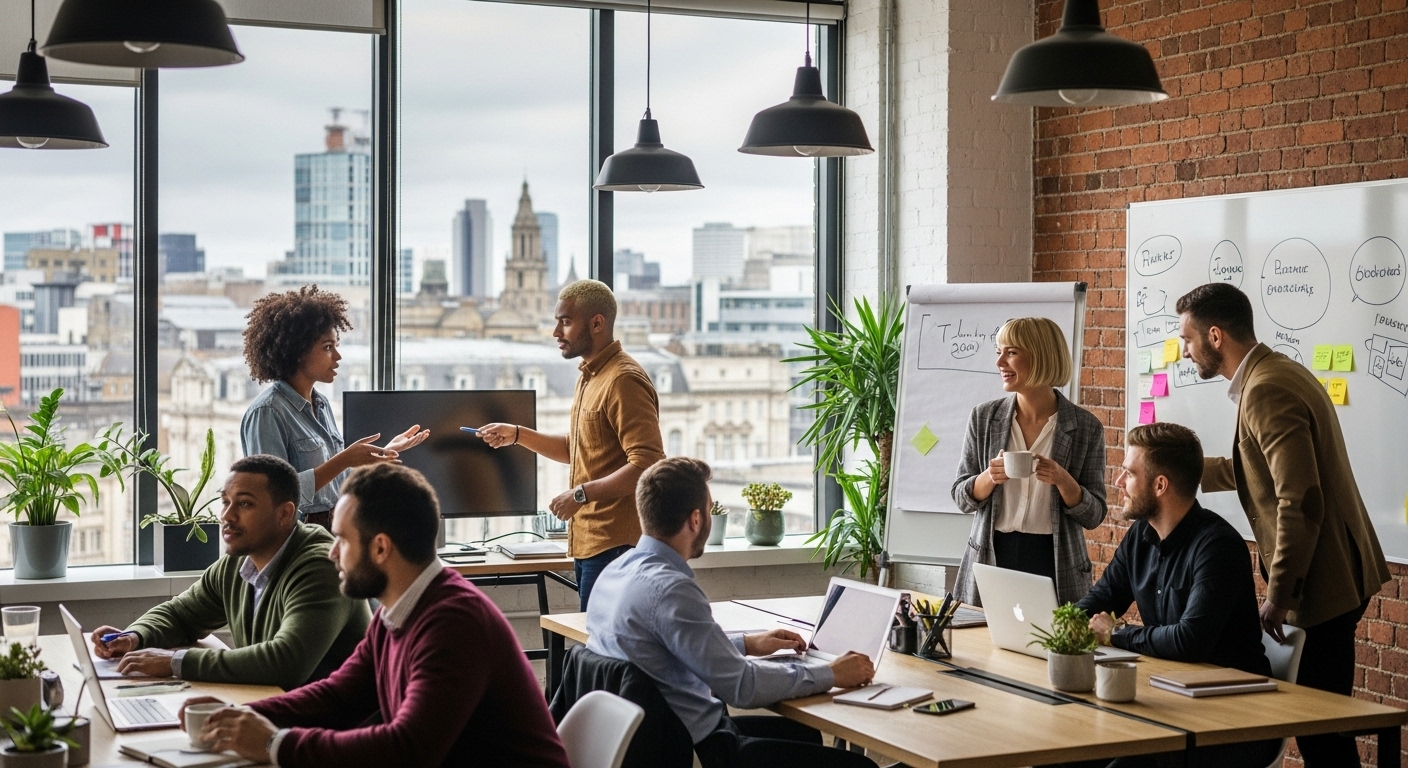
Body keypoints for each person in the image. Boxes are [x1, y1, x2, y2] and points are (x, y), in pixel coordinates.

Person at [181, 463, 571, 768]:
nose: (332, 553)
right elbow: (340, 695)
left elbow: (407, 751)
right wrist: (236, 715)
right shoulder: (399, 610)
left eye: (342, 539)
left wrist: (273, 744)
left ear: (381, 548)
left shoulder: (453, 622)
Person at [1177, 282, 1390, 766]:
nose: (1183, 352)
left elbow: (1300, 499)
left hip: (1322, 581)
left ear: (1215, 336)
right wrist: (1182, 472)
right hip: (1335, 572)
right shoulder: (1275, 372)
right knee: (1323, 728)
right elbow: (1261, 471)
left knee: (1321, 732)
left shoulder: (1265, 390)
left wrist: (1279, 593)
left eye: (1187, 340)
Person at [587, 456, 877, 768]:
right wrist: (832, 673)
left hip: (646, 740)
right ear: (696, 520)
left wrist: (747, 643)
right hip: (696, 749)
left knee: (802, 734)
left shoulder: (615, 572)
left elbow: (665, 649)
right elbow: (743, 687)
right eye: (710, 510)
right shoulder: (671, 590)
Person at [1075, 423, 1280, 768]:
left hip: (1233, 722)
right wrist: (1063, 624)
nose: (1118, 482)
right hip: (1169, 701)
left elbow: (1189, 641)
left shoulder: (1218, 547)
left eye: (1128, 473)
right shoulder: (1141, 534)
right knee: (1071, 749)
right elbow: (1103, 597)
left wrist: (1116, 633)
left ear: (1160, 485)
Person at [90, 455, 370, 690]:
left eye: (244, 503)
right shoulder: (237, 562)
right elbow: (180, 615)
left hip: (335, 728)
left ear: (285, 514)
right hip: (271, 707)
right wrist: (135, 636)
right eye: (225, 502)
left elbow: (286, 662)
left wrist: (175, 661)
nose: (227, 515)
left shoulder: (322, 565)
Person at [479, 279, 664, 609]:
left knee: (603, 653)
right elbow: (580, 448)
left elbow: (648, 465)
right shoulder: (589, 376)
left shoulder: (623, 379)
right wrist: (518, 434)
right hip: (588, 544)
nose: (555, 332)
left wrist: (581, 494)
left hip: (616, 547)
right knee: (593, 650)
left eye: (565, 321)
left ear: (596, 323)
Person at [241, 285, 429, 528]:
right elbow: (270, 496)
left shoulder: (322, 405)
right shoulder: (267, 412)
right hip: (295, 545)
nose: (338, 356)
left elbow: (333, 487)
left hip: (331, 535)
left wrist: (380, 455)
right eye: (328, 347)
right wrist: (344, 460)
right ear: (297, 352)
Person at [951, 317, 1108, 607]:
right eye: (999, 352)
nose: (999, 362)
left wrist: (1064, 480)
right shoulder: (983, 418)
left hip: (1054, 561)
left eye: (1010, 352)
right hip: (991, 554)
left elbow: (1094, 515)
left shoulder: (1086, 427)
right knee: (982, 648)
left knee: (1046, 649)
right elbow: (961, 498)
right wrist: (989, 477)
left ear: (1041, 356)